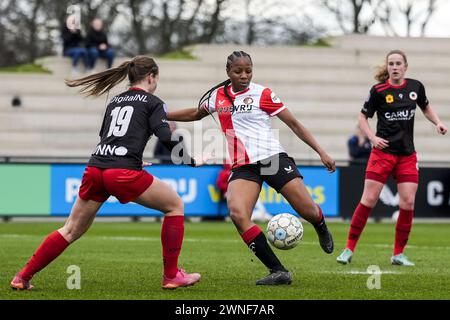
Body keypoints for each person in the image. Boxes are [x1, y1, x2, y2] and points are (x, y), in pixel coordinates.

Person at [10, 56, 203, 291]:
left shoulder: (115, 101)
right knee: (175, 206)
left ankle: (22, 276)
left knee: (70, 229)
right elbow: (165, 137)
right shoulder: (154, 102)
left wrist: (135, 159)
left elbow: (108, 137)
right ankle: (172, 275)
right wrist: (190, 161)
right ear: (151, 76)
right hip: (121, 172)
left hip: (95, 168)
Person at [167, 50, 336, 285]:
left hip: (272, 158)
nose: (244, 75)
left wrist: (321, 152)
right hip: (243, 166)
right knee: (237, 214)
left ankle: (320, 225)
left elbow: (295, 124)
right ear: (228, 72)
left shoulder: (262, 93)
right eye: (238, 71)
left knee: (307, 209)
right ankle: (278, 271)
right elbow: (196, 113)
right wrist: (164, 114)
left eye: (248, 71)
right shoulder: (217, 97)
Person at [336, 50, 448, 266]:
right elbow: (362, 116)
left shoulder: (415, 87)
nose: (395, 67)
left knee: (407, 202)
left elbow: (425, 106)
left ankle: (398, 254)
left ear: (405, 66)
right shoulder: (378, 90)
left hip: (407, 154)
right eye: (391, 64)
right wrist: (372, 137)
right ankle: (348, 249)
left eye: (398, 63)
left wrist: (438, 122)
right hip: (382, 153)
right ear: (387, 67)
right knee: (368, 200)